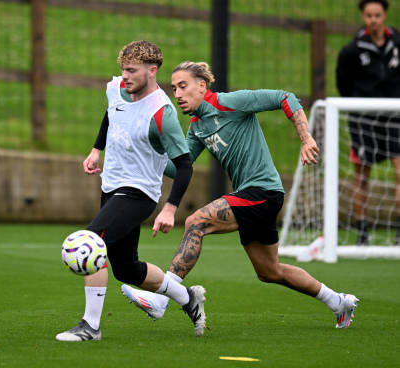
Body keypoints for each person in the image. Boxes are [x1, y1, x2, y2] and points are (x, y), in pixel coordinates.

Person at [121, 61, 359, 331]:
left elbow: (286, 98)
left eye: (183, 86)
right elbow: (178, 167)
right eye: (174, 88)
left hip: (263, 192)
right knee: (270, 271)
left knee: (195, 222)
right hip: (252, 196)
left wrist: (306, 138)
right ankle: (339, 302)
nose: (177, 94)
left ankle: (163, 299)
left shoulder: (231, 102)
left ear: (202, 85)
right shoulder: (197, 126)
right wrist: (144, 152)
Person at [55, 40, 208, 342]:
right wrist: (95, 150)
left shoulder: (162, 113)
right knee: (126, 268)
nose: (125, 76)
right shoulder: (116, 89)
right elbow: (111, 114)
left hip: (140, 193)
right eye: (123, 69)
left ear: (152, 71)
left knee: (91, 243)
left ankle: (91, 326)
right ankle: (189, 299)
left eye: (131, 71)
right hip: (111, 185)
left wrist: (170, 207)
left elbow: (185, 165)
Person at [336, 0, 400, 246]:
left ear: (385, 16)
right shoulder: (352, 50)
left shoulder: (397, 43)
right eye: (368, 15)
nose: (373, 19)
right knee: (362, 175)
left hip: (395, 118)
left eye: (378, 15)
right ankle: (362, 229)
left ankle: (398, 230)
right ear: (363, 17)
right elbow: (343, 83)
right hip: (363, 119)